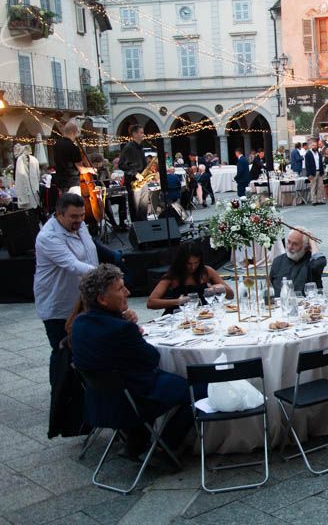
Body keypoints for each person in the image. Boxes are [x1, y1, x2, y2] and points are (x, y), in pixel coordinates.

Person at [72, 264, 195, 460]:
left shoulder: (79, 323)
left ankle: (137, 440)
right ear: (102, 299)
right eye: (120, 289)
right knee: (197, 388)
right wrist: (130, 327)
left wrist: (122, 321)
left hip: (99, 400)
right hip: (132, 402)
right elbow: (152, 359)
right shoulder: (121, 329)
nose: (127, 292)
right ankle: (165, 446)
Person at [34, 193, 99, 383]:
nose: (79, 220)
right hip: (58, 304)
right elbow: (72, 264)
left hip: (82, 298)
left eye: (81, 215)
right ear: (59, 214)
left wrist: (112, 256)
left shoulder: (79, 224)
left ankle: (82, 390)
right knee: (62, 352)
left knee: (84, 348)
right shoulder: (48, 237)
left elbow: (90, 249)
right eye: (73, 216)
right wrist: (104, 275)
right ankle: (59, 394)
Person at [147, 242, 234, 314]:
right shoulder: (172, 275)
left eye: (196, 263)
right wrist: (178, 301)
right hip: (181, 315)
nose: (193, 267)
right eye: (189, 264)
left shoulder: (207, 271)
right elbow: (151, 303)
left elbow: (231, 296)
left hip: (205, 314)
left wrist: (219, 288)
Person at [270, 227, 327, 296]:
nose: (290, 247)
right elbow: (270, 286)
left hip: (307, 302)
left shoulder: (311, 262)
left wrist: (312, 242)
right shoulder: (278, 261)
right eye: (289, 242)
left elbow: (319, 263)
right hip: (281, 302)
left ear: (306, 247)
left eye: (295, 244)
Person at [119, 124, 148, 222]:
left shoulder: (140, 148)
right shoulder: (128, 147)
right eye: (141, 133)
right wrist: (135, 173)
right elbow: (121, 165)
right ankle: (137, 227)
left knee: (143, 208)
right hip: (133, 181)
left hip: (142, 180)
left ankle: (144, 225)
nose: (143, 135)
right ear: (135, 134)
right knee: (135, 209)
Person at [53, 121, 85, 195]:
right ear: (73, 132)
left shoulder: (57, 144)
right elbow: (81, 169)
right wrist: (92, 169)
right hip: (72, 183)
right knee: (73, 201)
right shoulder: (73, 147)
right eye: (77, 132)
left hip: (60, 181)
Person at [14, 143, 41, 211]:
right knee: (36, 207)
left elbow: (21, 175)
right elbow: (38, 174)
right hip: (35, 189)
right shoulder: (35, 159)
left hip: (26, 190)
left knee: (28, 210)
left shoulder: (20, 159)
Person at [305, 139, 326, 205]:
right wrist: (309, 174)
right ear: (311, 146)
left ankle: (320, 200)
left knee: (320, 186)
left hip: (319, 171)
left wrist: (322, 172)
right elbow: (307, 165)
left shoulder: (318, 153)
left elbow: (321, 163)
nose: (315, 146)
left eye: (316, 145)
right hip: (312, 173)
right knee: (313, 187)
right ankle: (313, 200)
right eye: (313, 145)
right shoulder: (308, 154)